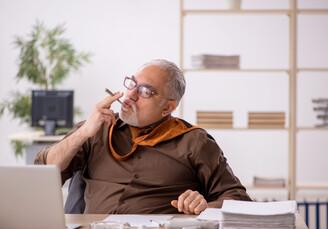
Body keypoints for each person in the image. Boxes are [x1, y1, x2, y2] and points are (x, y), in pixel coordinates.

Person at [34, 59, 251, 215]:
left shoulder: (194, 141)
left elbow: (239, 200)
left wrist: (206, 205)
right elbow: (43, 174)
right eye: (132, 84)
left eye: (145, 91)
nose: (130, 95)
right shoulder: (96, 128)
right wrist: (82, 133)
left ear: (168, 107)